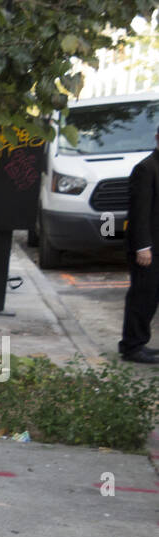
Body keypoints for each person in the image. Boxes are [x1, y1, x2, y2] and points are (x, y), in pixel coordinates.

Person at [120, 125, 159, 363]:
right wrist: (143, 246)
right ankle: (132, 346)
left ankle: (140, 341)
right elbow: (138, 213)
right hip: (149, 249)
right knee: (143, 296)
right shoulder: (146, 168)